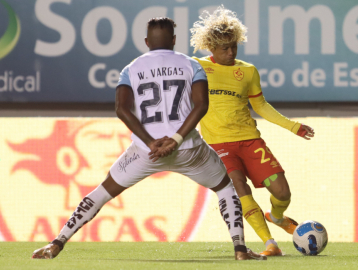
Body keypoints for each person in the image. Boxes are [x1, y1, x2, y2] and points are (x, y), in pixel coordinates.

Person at [32, 17, 265, 261]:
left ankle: (57, 243)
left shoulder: (130, 68)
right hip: (188, 148)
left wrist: (149, 141)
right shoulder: (191, 65)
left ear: (146, 42)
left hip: (146, 151)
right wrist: (175, 139)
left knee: (102, 192)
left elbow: (121, 109)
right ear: (174, 40)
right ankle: (240, 250)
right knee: (225, 187)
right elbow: (201, 105)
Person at [190, 6, 315, 256]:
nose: (230, 52)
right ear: (210, 47)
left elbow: (260, 106)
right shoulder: (196, 67)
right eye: (224, 47)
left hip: (250, 142)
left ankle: (277, 216)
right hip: (219, 145)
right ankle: (270, 243)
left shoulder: (247, 71)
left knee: (282, 192)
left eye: (234, 46)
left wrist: (293, 126)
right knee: (239, 187)